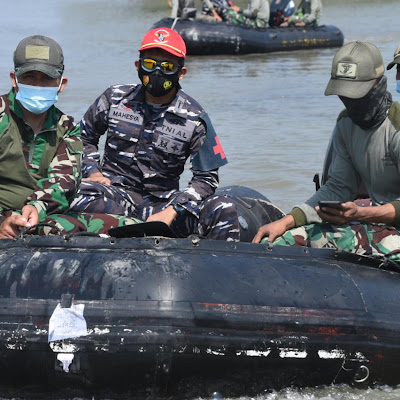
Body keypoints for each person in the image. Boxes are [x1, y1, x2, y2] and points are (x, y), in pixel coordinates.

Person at [69, 27, 239, 242]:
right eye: (150, 64)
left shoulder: (195, 118)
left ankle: (216, 269)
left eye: (167, 67)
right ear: (138, 66)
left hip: (164, 204)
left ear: (181, 73)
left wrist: (174, 209)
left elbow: (206, 179)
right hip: (114, 195)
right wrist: (92, 171)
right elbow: (82, 136)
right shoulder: (115, 98)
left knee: (223, 207)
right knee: (70, 190)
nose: (157, 72)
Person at [253, 41, 400, 262]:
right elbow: (338, 187)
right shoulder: (346, 124)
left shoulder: (395, 126)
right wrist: (287, 221)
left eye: (356, 95)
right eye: (344, 95)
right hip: (377, 224)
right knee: (277, 243)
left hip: (387, 228)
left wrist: (362, 214)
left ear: (377, 85)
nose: (350, 102)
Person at [0, 35, 140, 239]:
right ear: (14, 79)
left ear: (61, 83)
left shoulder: (66, 128)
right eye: (30, 77)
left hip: (37, 216)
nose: (38, 85)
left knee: (131, 226)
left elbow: (64, 179)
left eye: (47, 78)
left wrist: (38, 206)